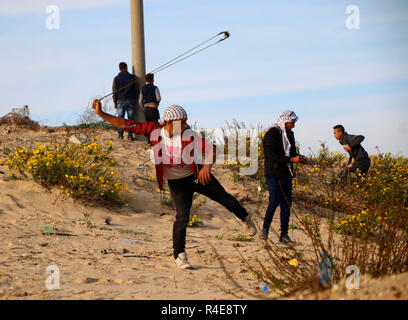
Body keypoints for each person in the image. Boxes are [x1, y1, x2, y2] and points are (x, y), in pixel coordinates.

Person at [92, 100, 257, 269]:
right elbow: (125, 124)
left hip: (197, 176)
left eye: (186, 121)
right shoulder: (153, 131)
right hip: (177, 183)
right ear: (170, 122)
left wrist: (207, 166)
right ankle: (179, 255)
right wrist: (101, 114)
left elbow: (212, 149)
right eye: (183, 122)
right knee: (181, 216)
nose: (186, 124)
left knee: (225, 199)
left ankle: (244, 217)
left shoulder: (189, 134)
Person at [261, 110, 307, 244]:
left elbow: (291, 152)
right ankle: (265, 230)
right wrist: (292, 159)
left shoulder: (290, 134)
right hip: (273, 172)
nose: (293, 125)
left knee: (286, 204)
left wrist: (300, 157)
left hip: (286, 173)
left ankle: (284, 235)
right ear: (285, 121)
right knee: (274, 200)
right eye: (292, 122)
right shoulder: (272, 133)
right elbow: (271, 155)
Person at [112, 62, 137, 140]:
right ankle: (130, 136)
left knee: (120, 119)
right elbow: (136, 90)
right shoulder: (132, 77)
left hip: (120, 101)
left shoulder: (116, 78)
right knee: (131, 119)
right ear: (126, 68)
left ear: (119, 69)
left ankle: (120, 135)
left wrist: (115, 102)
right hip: (130, 100)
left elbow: (114, 91)